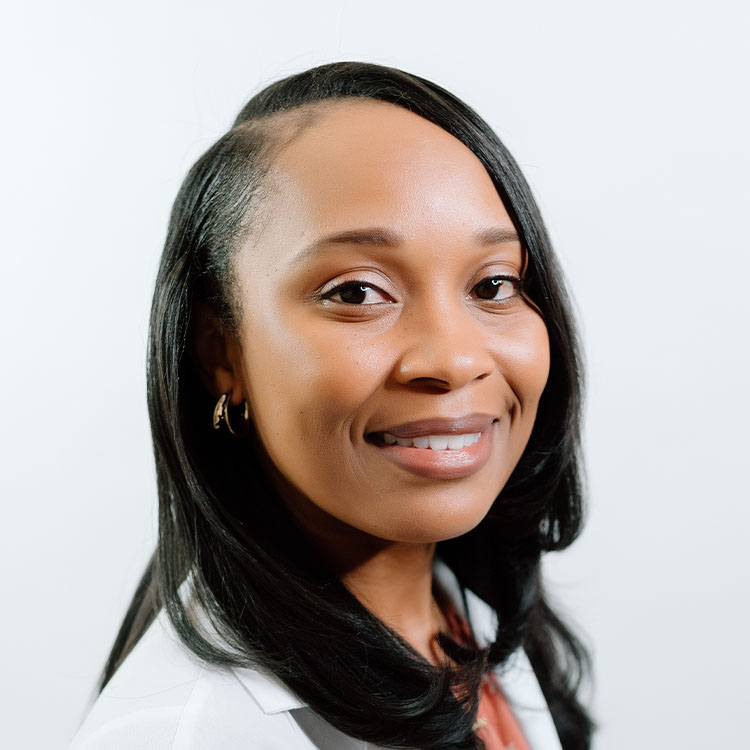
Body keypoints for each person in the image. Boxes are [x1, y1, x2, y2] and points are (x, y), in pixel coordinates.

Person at [69, 61, 593, 750]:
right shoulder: (178, 735)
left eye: (493, 285)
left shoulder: (468, 625)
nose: (454, 359)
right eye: (355, 292)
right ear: (222, 354)